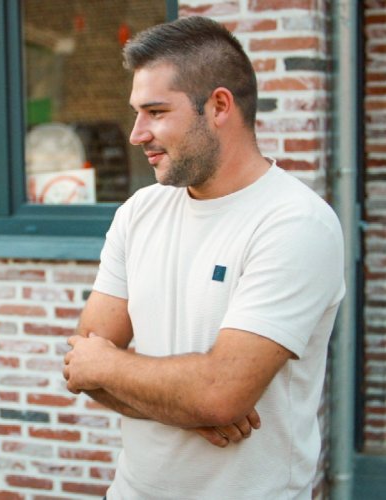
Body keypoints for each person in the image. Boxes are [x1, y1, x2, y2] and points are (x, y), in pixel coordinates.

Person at [62, 16, 344, 499]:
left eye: (155, 112)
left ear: (218, 106)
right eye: (137, 112)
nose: (136, 134)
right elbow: (81, 363)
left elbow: (218, 393)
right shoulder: (140, 212)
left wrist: (112, 367)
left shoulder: (295, 223)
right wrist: (185, 405)